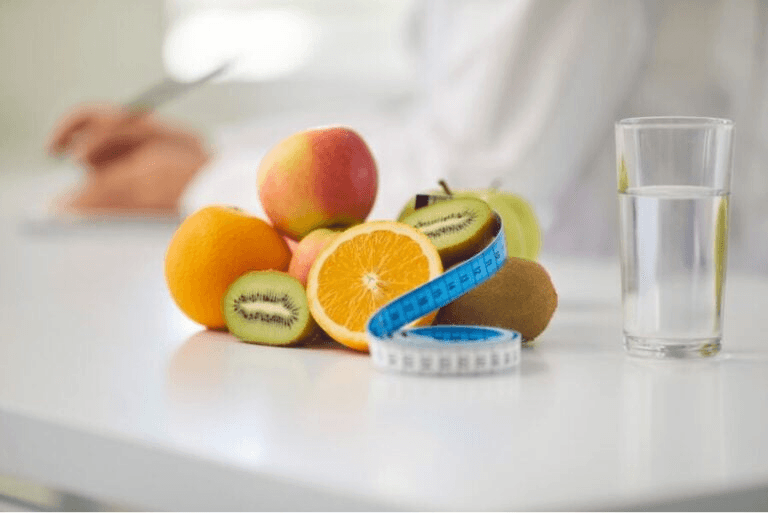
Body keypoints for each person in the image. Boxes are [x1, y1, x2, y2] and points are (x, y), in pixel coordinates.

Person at [47, 0, 768, 272]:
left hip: (670, 320)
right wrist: (213, 152)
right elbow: (440, 119)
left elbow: (473, 182)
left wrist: (201, 179)